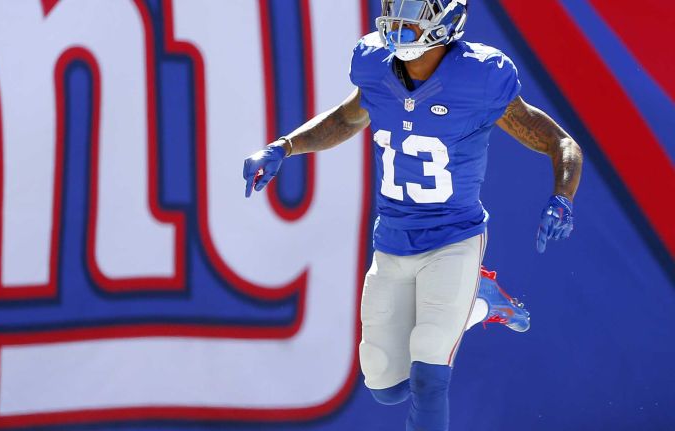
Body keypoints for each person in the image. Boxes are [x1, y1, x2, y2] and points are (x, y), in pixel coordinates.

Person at [242, 1, 582, 430]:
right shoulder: (374, 65)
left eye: (412, 14)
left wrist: (562, 196)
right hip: (393, 240)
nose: (396, 23)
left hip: (455, 238)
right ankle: (482, 304)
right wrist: (284, 146)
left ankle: (471, 301)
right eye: (394, 11)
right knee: (384, 384)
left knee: (428, 372)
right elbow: (348, 118)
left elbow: (558, 140)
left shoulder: (480, 76)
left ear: (445, 22)